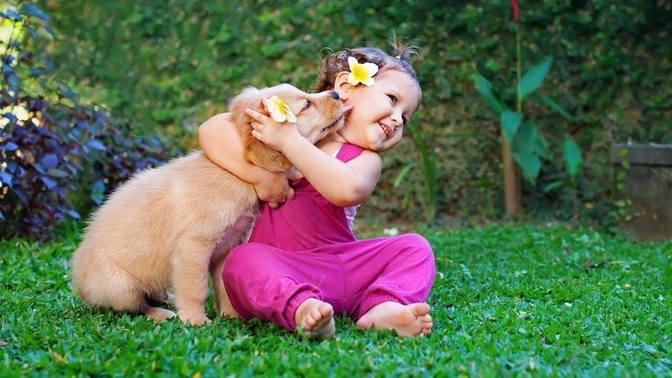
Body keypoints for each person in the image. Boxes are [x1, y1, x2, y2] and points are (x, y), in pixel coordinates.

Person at [198, 45, 435, 339]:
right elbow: (212, 128)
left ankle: (382, 306)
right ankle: (302, 308)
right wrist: (261, 176)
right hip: (281, 268)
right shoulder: (291, 121)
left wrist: (290, 143)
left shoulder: (363, 158)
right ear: (346, 86)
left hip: (343, 268)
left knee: (415, 247)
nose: (398, 119)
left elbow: (347, 190)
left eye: (406, 117)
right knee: (243, 260)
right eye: (392, 100)